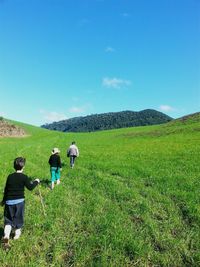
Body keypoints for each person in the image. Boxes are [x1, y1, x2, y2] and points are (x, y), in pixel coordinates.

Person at [1, 157, 40, 249]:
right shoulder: (24, 177)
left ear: (14, 166)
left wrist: (3, 201)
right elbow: (30, 187)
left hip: (9, 202)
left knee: (8, 220)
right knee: (18, 219)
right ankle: (16, 236)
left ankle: (6, 236)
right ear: (24, 167)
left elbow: (6, 190)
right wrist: (36, 181)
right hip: (19, 202)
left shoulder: (10, 177)